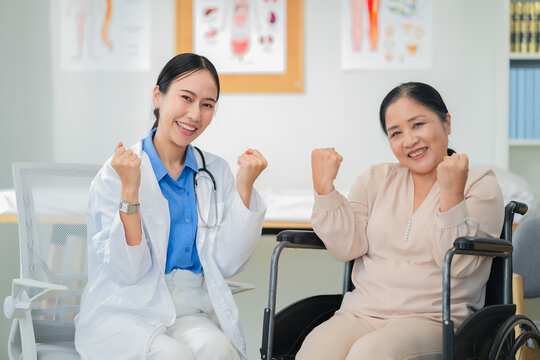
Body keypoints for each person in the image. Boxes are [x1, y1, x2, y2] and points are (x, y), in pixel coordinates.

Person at [74, 53, 267, 360]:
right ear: (158, 95)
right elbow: (127, 271)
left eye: (207, 105)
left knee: (219, 350)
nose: (194, 114)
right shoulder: (118, 172)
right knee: (174, 356)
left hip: (189, 311)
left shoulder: (214, 172)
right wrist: (130, 190)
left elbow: (228, 264)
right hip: (126, 310)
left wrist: (245, 187)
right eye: (186, 98)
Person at [296, 82, 504, 359]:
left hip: (434, 320)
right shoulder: (375, 179)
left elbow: (459, 266)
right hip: (360, 314)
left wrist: (452, 195)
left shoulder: (480, 185)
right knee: (315, 350)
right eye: (396, 133)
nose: (409, 141)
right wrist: (324, 189)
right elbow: (346, 248)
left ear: (447, 122)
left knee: (368, 353)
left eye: (418, 124)